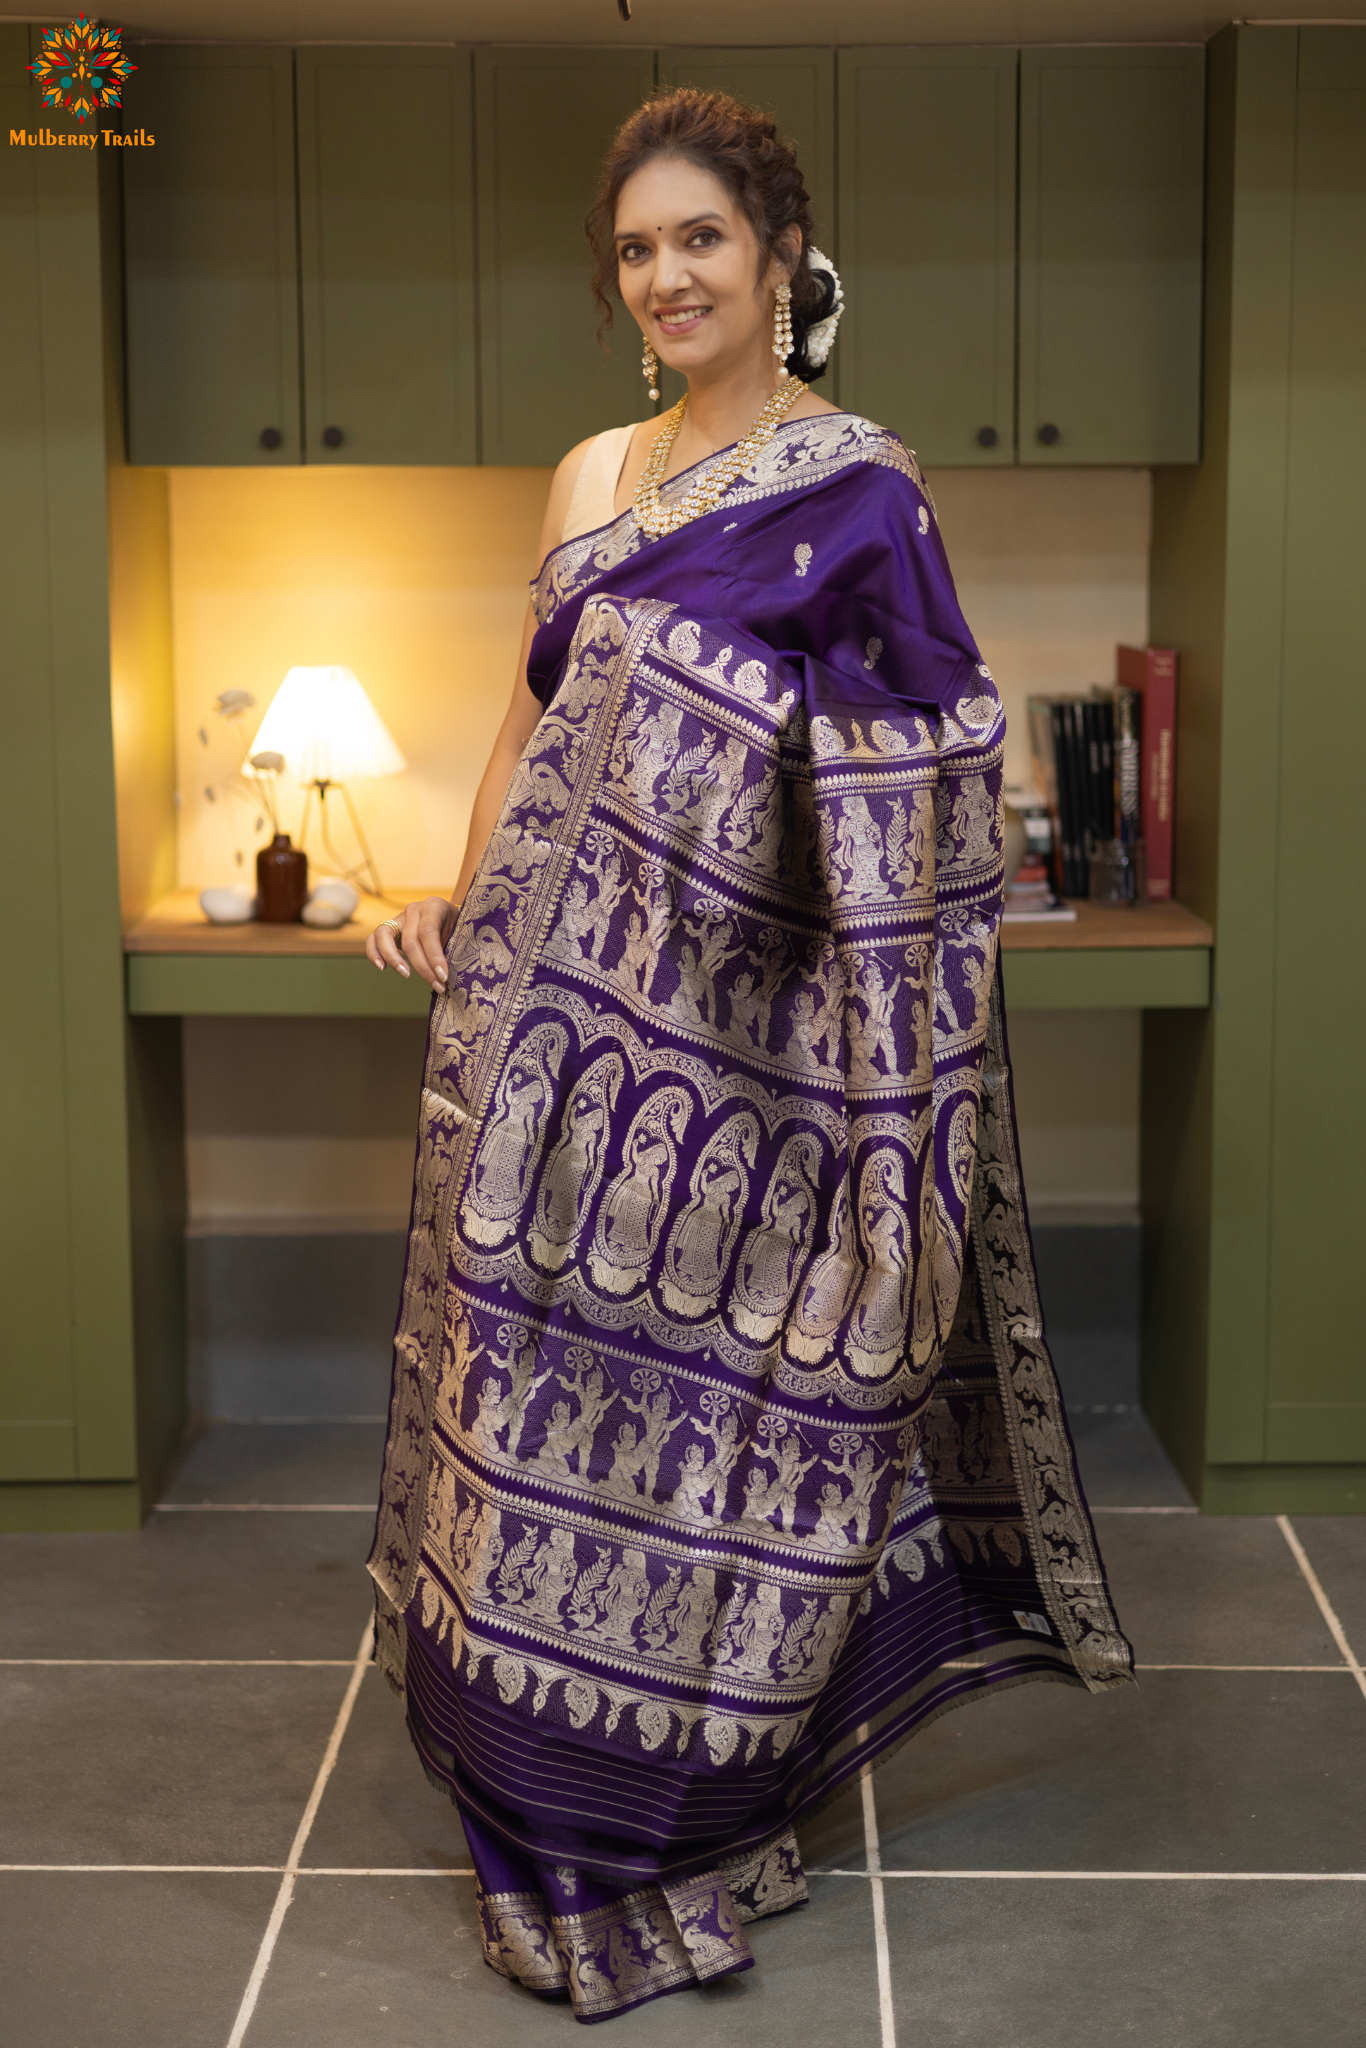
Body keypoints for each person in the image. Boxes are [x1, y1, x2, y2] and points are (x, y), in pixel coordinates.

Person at [366, 88, 1131, 2025]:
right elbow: (527, 722)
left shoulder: (860, 488)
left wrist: (714, 722)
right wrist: (466, 913)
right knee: (522, 1431)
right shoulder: (588, 474)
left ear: (779, 257)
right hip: (546, 1051)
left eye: (698, 237)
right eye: (635, 248)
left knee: (700, 1439)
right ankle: (534, 1805)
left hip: (740, 1070)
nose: (666, 275)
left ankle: (673, 1808)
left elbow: (933, 765)